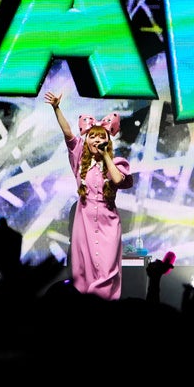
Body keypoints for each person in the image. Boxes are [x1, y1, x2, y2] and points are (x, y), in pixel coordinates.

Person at [45, 90, 134, 300]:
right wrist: (57, 108)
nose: (96, 139)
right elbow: (68, 133)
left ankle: (105, 304)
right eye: (92, 136)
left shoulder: (116, 163)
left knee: (107, 267)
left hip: (108, 221)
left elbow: (118, 180)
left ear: (108, 141)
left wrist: (106, 156)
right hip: (83, 220)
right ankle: (86, 305)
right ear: (86, 141)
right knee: (84, 268)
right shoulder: (79, 159)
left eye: (101, 136)